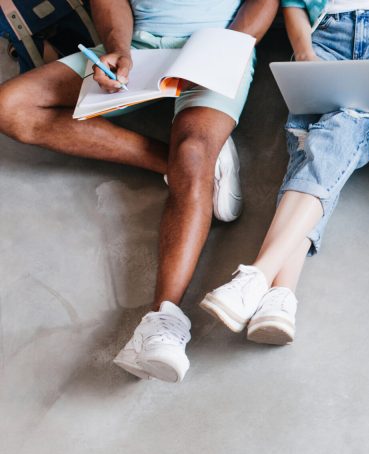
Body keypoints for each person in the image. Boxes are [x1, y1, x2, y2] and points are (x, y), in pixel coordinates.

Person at [0, 0, 277, 383]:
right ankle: (182, 166)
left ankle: (164, 321)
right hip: (141, 47)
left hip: (220, 46)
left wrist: (229, 48)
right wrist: (119, 48)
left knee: (194, 151)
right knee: (10, 106)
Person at [200, 0, 369, 344]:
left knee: (340, 133)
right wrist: (302, 51)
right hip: (323, 39)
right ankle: (279, 297)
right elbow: (293, 2)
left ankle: (260, 274)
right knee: (309, 148)